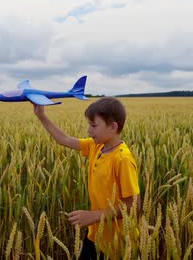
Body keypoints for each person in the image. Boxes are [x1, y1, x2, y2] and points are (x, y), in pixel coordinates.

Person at [33, 97, 141, 259]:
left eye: (93, 125)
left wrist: (94, 216)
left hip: (118, 244)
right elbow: (64, 139)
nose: (89, 130)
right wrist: (41, 115)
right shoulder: (96, 146)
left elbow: (134, 206)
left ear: (112, 127)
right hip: (95, 234)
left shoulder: (122, 159)